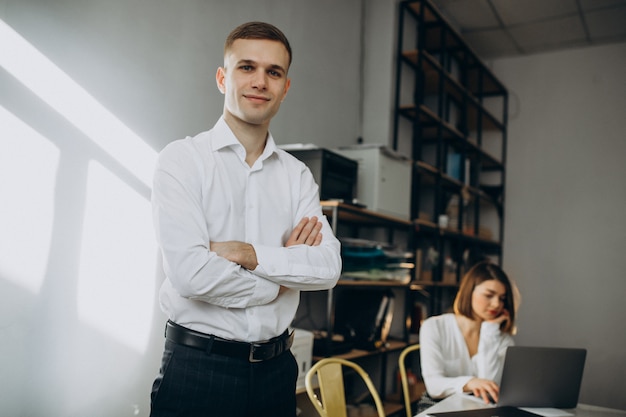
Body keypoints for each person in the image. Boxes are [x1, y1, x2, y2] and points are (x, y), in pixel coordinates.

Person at [149, 21, 342, 417]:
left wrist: (249, 254)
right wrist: (280, 281)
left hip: (275, 374)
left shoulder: (297, 176)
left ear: (285, 88)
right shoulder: (182, 161)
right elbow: (189, 275)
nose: (260, 81)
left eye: (274, 72)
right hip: (197, 369)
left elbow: (327, 268)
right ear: (223, 78)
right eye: (246, 67)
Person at [418, 261, 519, 410]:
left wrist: (490, 331)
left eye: (502, 298)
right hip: (439, 407)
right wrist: (470, 382)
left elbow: (489, 386)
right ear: (469, 292)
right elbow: (433, 385)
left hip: (479, 409)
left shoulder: (503, 339)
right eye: (489, 295)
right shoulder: (434, 327)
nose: (497, 304)